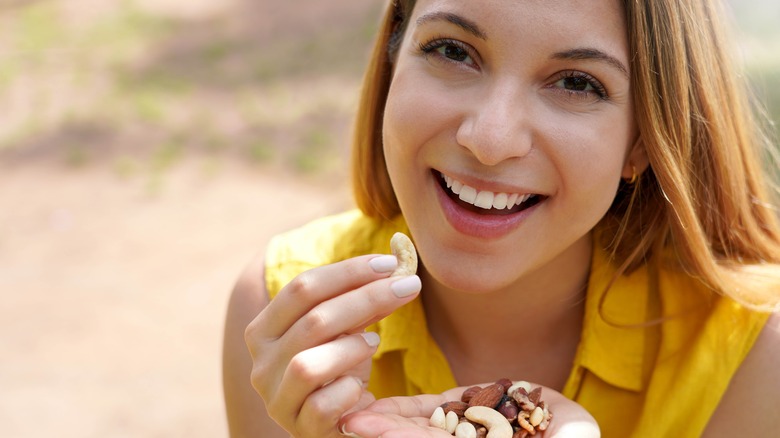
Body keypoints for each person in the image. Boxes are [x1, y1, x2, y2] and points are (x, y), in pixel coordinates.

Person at [222, 0, 780, 436]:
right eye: (452, 50)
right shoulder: (287, 320)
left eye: (576, 82)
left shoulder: (756, 358)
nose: (490, 139)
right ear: (393, 61)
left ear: (643, 142)